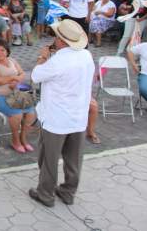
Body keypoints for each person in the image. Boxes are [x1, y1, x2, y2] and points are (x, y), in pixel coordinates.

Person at [28, 19, 95, 208]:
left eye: (56, 37)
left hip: (57, 118)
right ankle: (68, 192)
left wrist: (42, 58)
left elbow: (35, 76)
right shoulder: (86, 55)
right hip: (78, 116)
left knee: (49, 159)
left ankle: (46, 194)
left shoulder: (58, 60)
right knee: (74, 160)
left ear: (61, 40)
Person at [0, 40, 36, 152]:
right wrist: (13, 78)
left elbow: (22, 74)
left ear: (7, 52)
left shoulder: (12, 61)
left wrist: (17, 82)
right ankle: (15, 141)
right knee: (16, 113)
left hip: (15, 94)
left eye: (2, 50)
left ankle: (23, 138)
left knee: (31, 112)